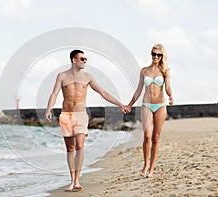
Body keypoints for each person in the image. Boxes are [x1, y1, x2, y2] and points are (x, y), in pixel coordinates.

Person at [45, 49, 125, 191]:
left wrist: (120, 104)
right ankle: (71, 180)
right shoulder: (62, 76)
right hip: (66, 115)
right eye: (82, 59)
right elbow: (54, 93)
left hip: (81, 114)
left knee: (80, 146)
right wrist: (48, 109)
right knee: (70, 148)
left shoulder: (88, 77)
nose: (85, 61)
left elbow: (103, 92)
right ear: (74, 60)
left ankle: (77, 180)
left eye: (86, 59)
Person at [124, 44, 174, 178]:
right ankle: (145, 164)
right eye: (153, 54)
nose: (155, 57)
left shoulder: (165, 71)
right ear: (151, 54)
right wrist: (129, 105)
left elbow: (168, 87)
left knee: (155, 138)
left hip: (160, 106)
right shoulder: (144, 71)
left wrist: (171, 96)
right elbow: (139, 90)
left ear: (162, 56)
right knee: (146, 136)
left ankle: (151, 168)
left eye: (158, 55)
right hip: (146, 104)